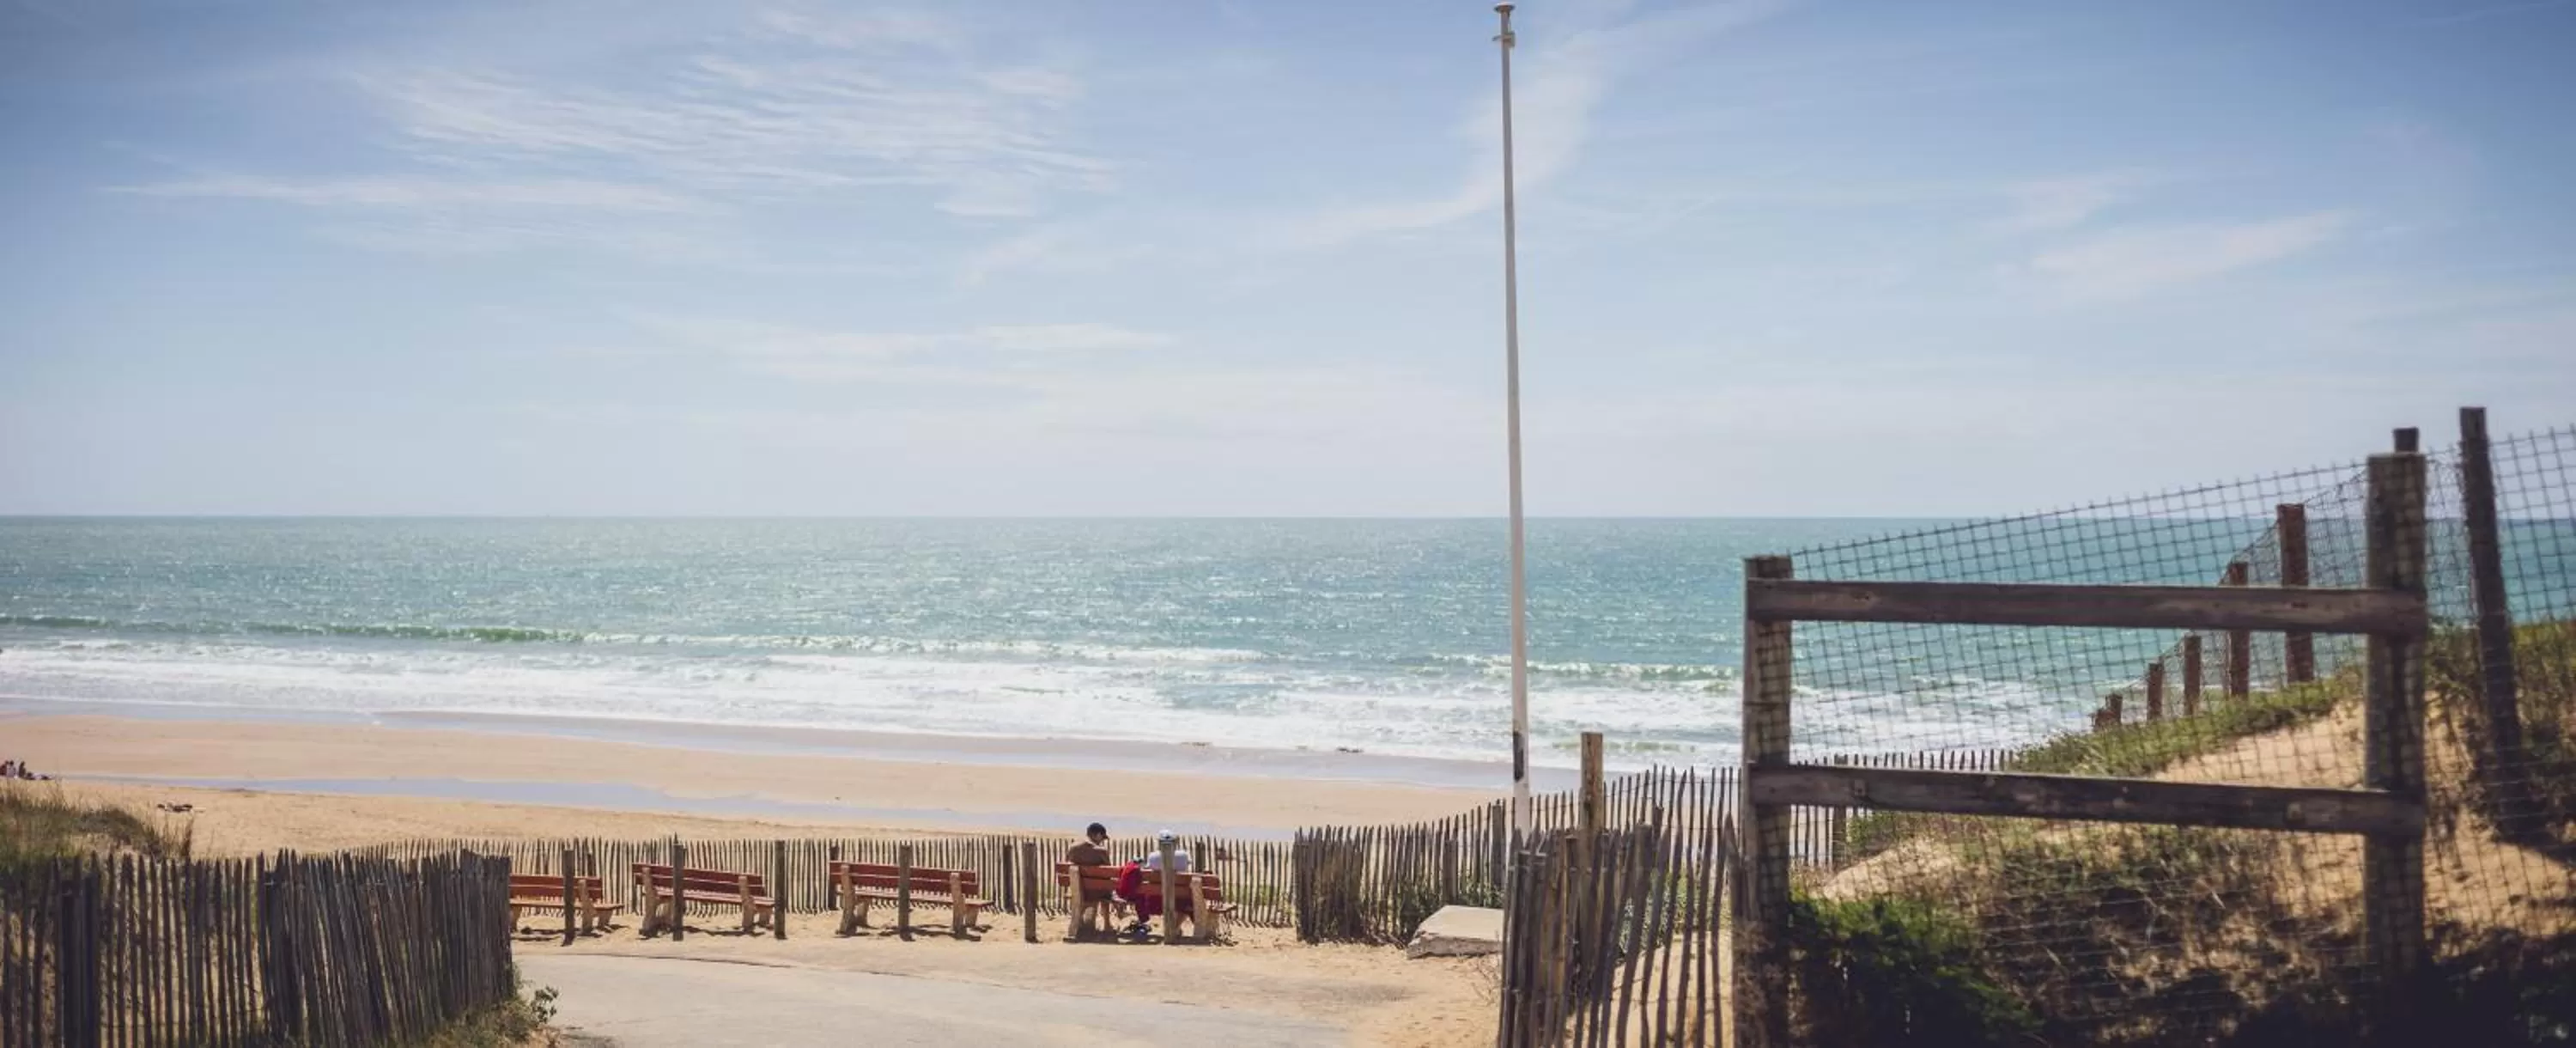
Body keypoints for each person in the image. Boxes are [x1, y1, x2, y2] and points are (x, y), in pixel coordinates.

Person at [1116, 830, 1194, 935]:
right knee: (1185, 898)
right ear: (1175, 843)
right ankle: (1175, 927)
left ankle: (1173, 927)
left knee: (1158, 890)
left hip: (1155, 899)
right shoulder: (1183, 855)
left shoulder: (1153, 856)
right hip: (1178, 897)